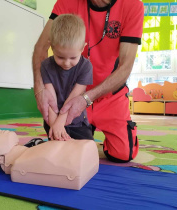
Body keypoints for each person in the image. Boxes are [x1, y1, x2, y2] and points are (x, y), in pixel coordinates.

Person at [32, 0, 144, 163]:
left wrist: (86, 99)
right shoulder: (66, 2)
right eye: (61, 57)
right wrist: (40, 89)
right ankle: (84, 130)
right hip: (69, 95)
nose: (66, 61)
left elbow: (125, 66)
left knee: (122, 154)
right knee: (67, 152)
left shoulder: (133, 6)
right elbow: (41, 48)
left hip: (109, 96)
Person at [32, 14, 94, 143]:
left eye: (73, 58)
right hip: (52, 119)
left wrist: (60, 123)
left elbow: (74, 97)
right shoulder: (46, 65)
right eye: (60, 57)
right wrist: (55, 126)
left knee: (87, 151)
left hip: (77, 122)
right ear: (52, 47)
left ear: (82, 48)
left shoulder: (86, 66)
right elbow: (50, 100)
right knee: (55, 154)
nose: (66, 63)